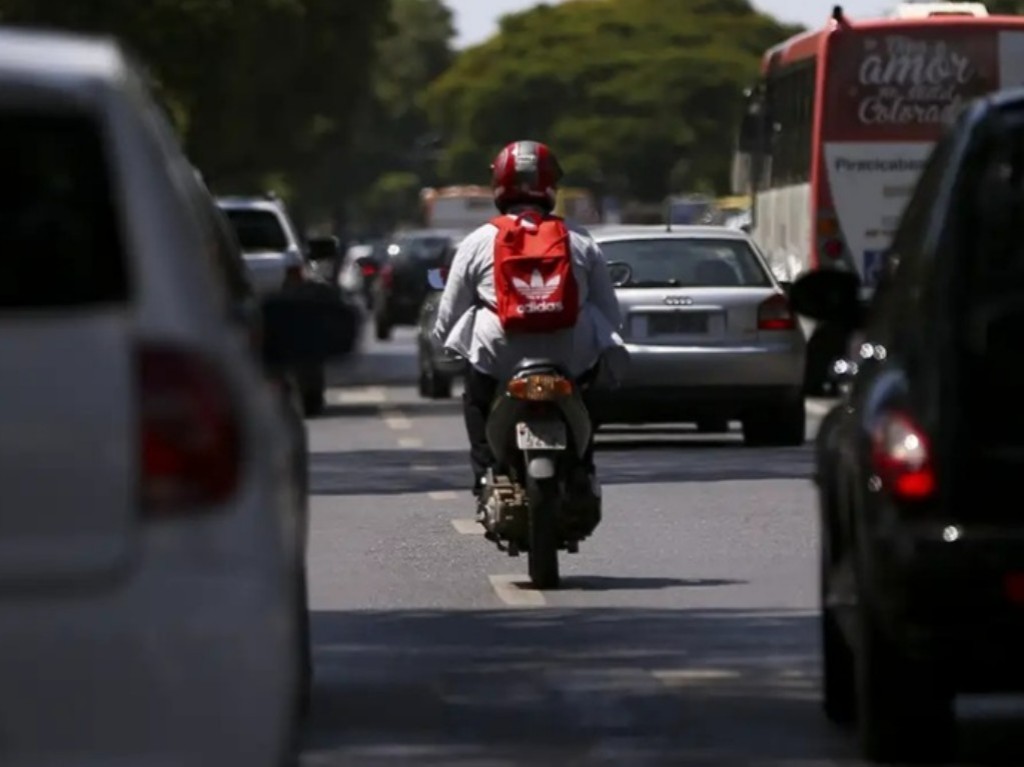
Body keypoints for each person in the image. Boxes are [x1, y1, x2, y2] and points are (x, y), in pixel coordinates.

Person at [431, 140, 627, 501]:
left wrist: (448, 345)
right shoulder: (580, 239)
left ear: (499, 184)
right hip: (571, 358)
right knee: (593, 389)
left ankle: (486, 476)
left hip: (500, 359)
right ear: (551, 184)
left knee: (475, 398)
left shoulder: (478, 241)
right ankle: (584, 468)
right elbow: (610, 316)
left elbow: (448, 317)